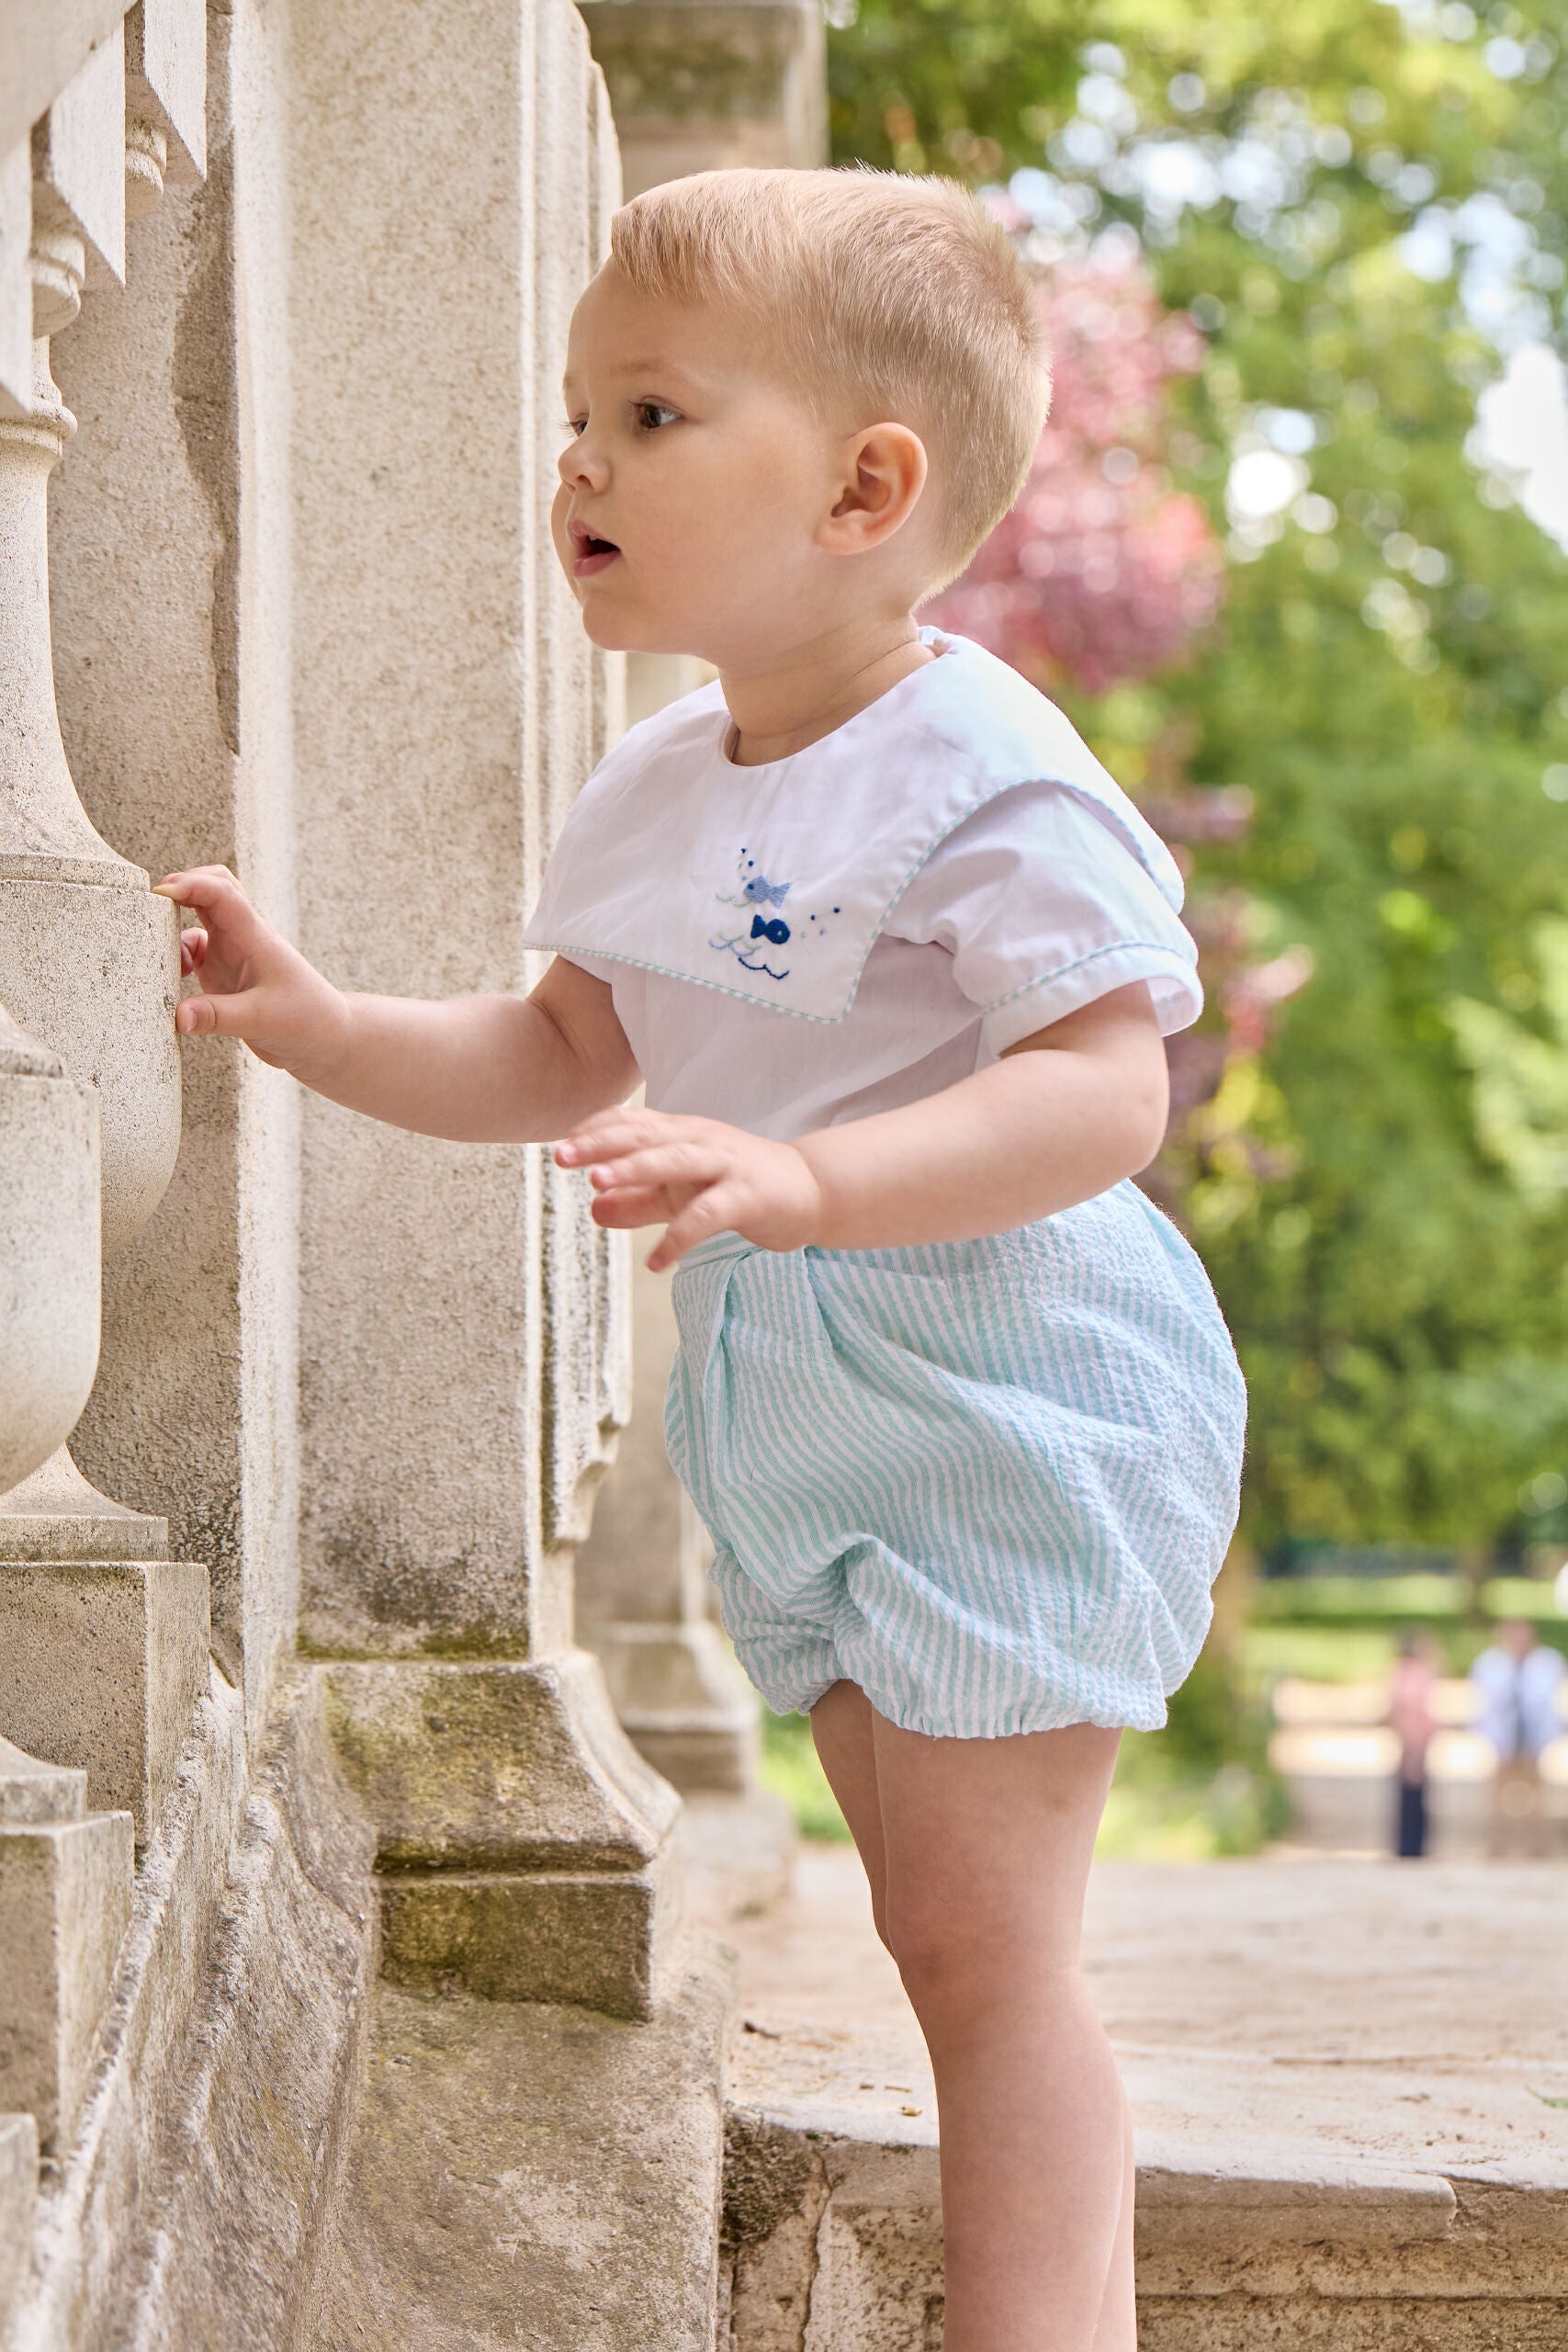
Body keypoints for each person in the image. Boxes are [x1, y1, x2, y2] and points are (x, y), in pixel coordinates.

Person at [155, 169, 1246, 2352]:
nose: (576, 457)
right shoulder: (658, 778)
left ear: (862, 485)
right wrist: (316, 1015)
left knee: (980, 1948)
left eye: (648, 412)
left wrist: (815, 1176)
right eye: (576, 411)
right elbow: (560, 1051)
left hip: (1005, 1382)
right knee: (954, 1925)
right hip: (810, 1397)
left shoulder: (973, 766)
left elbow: (1102, 1089)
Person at [1470, 1617, 1565, 1859]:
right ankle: (1498, 1846)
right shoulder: (1490, 1664)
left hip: (1534, 1741)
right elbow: (1482, 1703)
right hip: (1503, 1742)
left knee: (1536, 1799)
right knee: (1498, 1799)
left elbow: (1550, 1704)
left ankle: (1535, 1847)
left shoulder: (1548, 1663)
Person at [1387, 1628, 1439, 1859]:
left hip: (1417, 1739)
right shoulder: (1411, 1674)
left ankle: (1413, 1845)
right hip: (1412, 1740)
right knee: (1411, 1795)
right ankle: (1410, 1846)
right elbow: (1404, 1710)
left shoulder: (1411, 1673)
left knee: (1415, 1795)